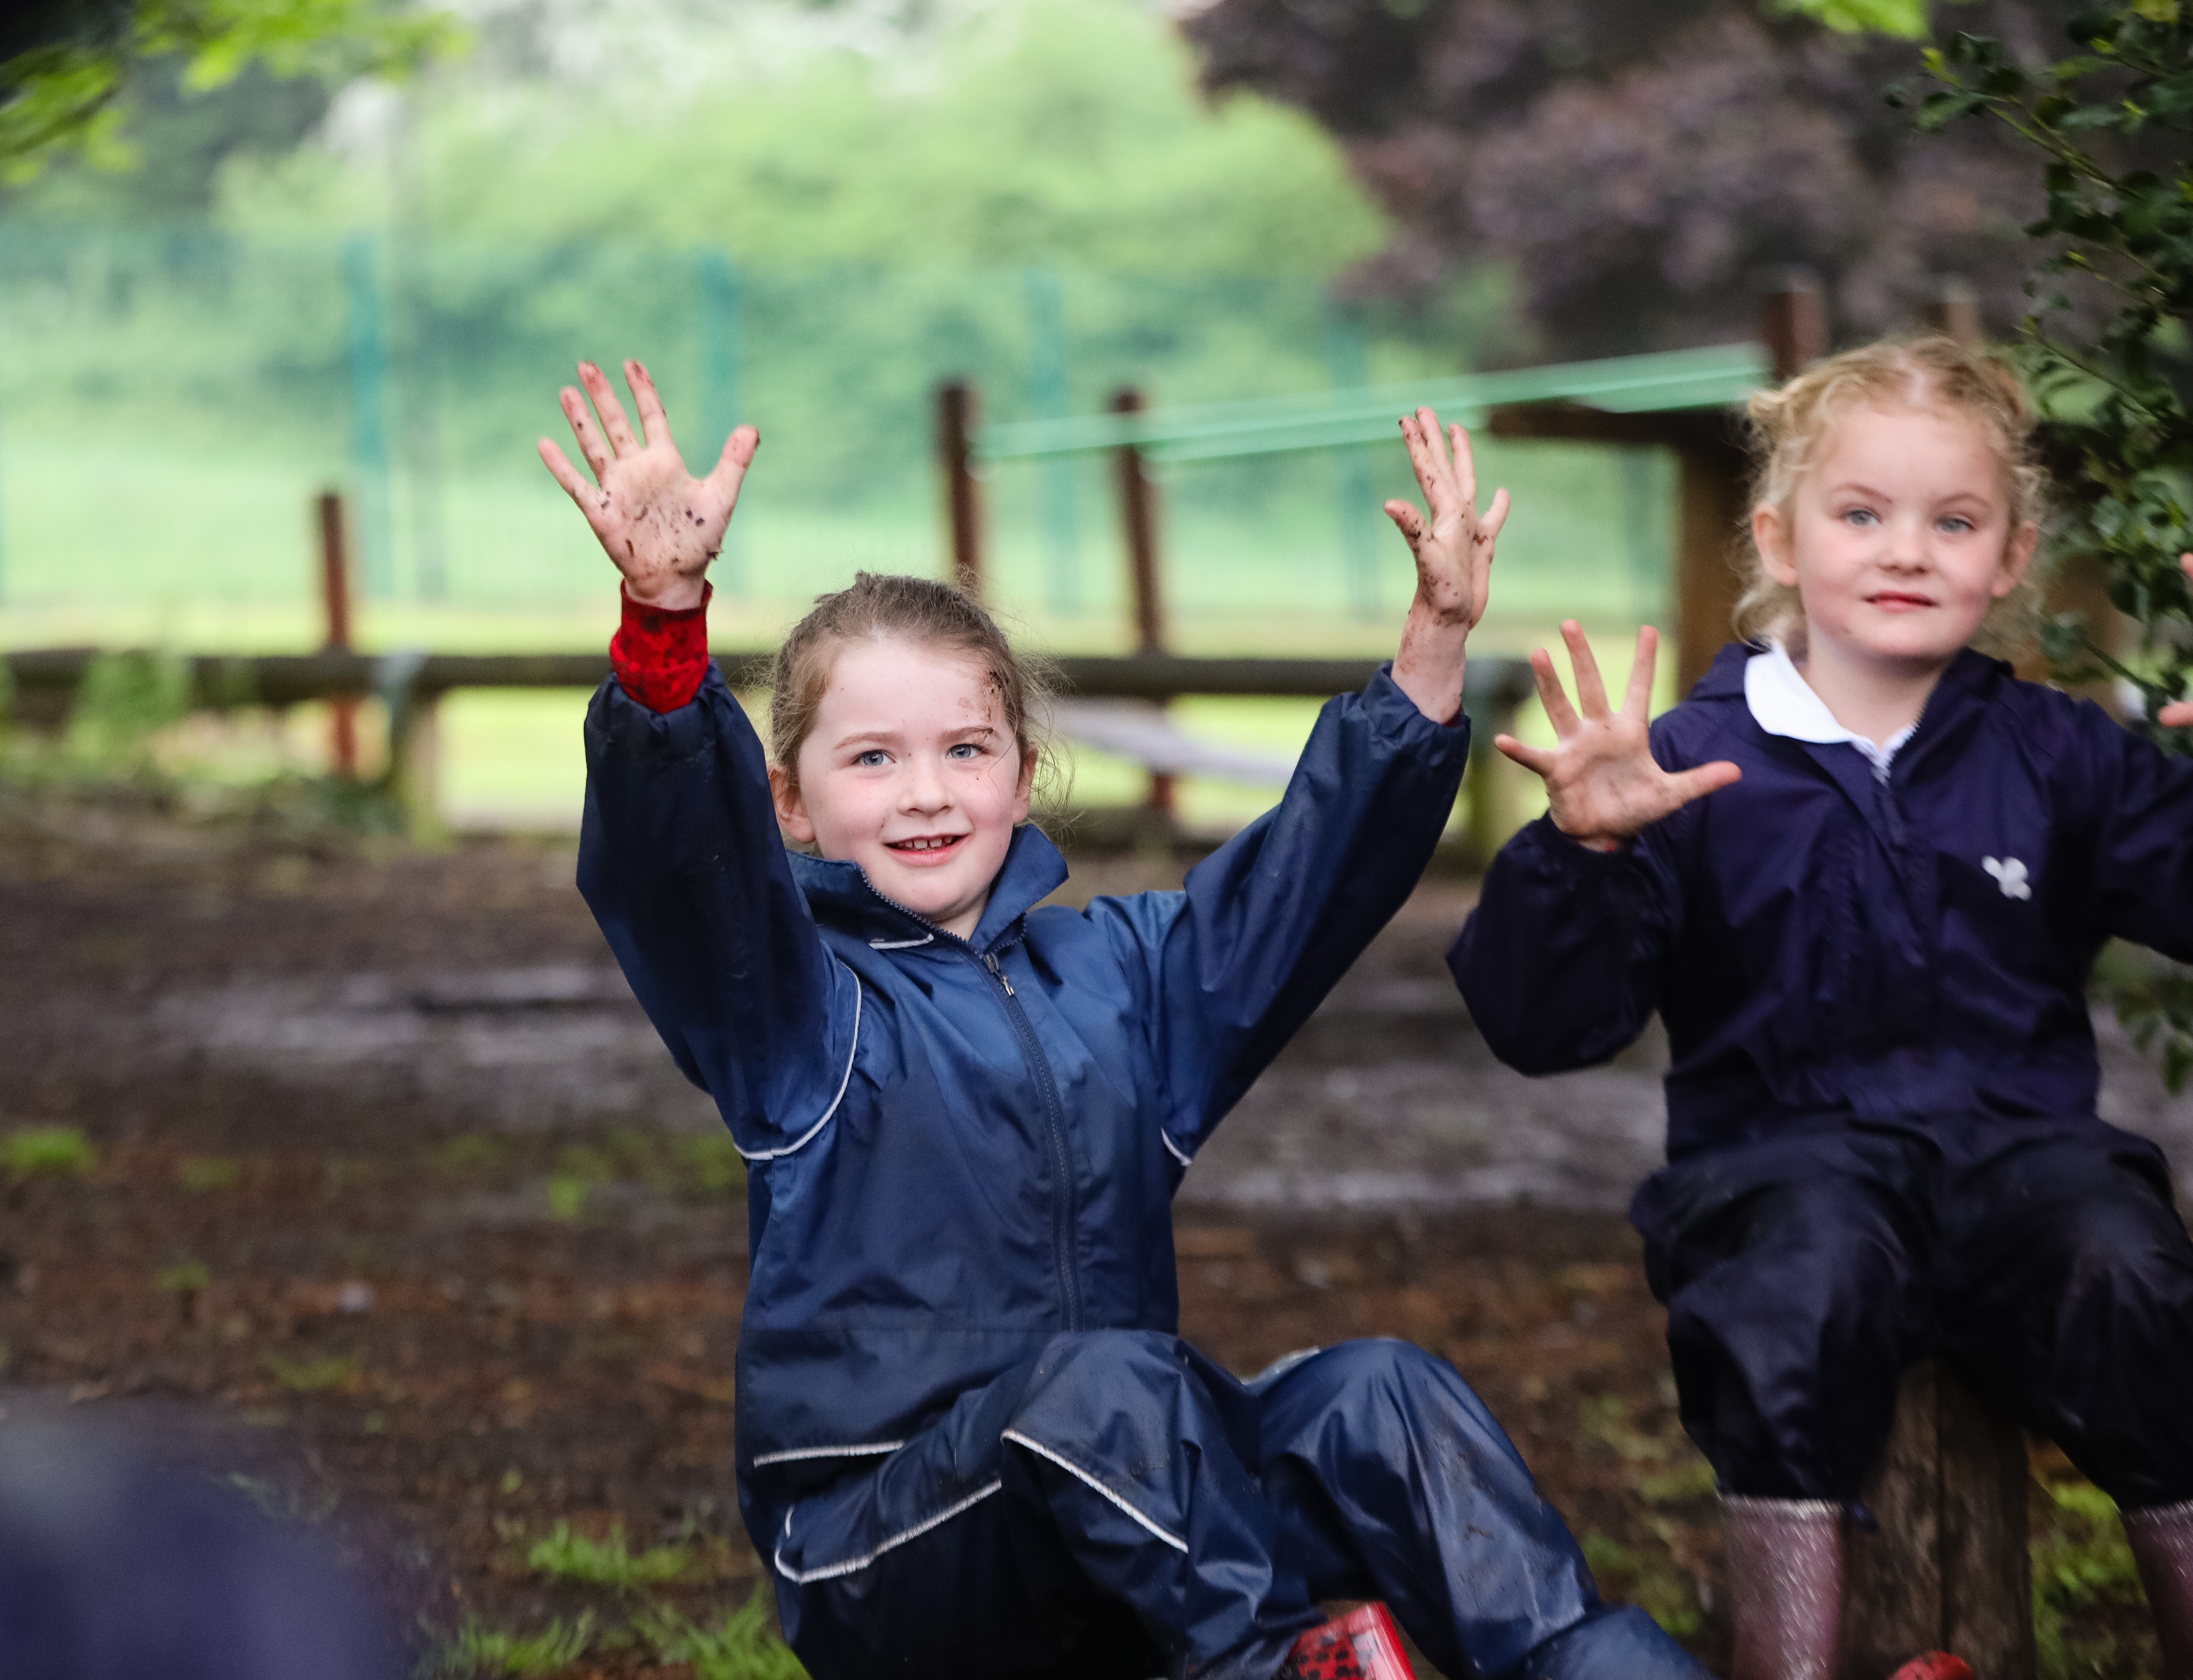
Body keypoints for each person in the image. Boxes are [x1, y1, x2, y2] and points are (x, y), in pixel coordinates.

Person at [540, 357, 1707, 1680]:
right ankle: (1284, 1670)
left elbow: (1302, 887)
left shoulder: (1123, 977)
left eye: (964, 750)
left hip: (1128, 1501)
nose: (925, 792)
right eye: (870, 758)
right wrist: (662, 617)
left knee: (1376, 1395)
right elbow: (681, 871)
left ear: (1022, 778)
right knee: (1105, 1390)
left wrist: (1433, 639)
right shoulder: (795, 1008)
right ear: (791, 804)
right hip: (888, 1548)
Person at [1446, 336, 2193, 1680]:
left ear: (2010, 556)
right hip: (1780, 1170)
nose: (1905, 550)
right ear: (1777, 538)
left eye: (1951, 521)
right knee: (1804, 1282)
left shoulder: (2058, 754)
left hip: (2019, 1168)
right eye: (1860, 514)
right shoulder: (1682, 765)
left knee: (2129, 1271)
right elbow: (1541, 1026)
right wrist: (1582, 853)